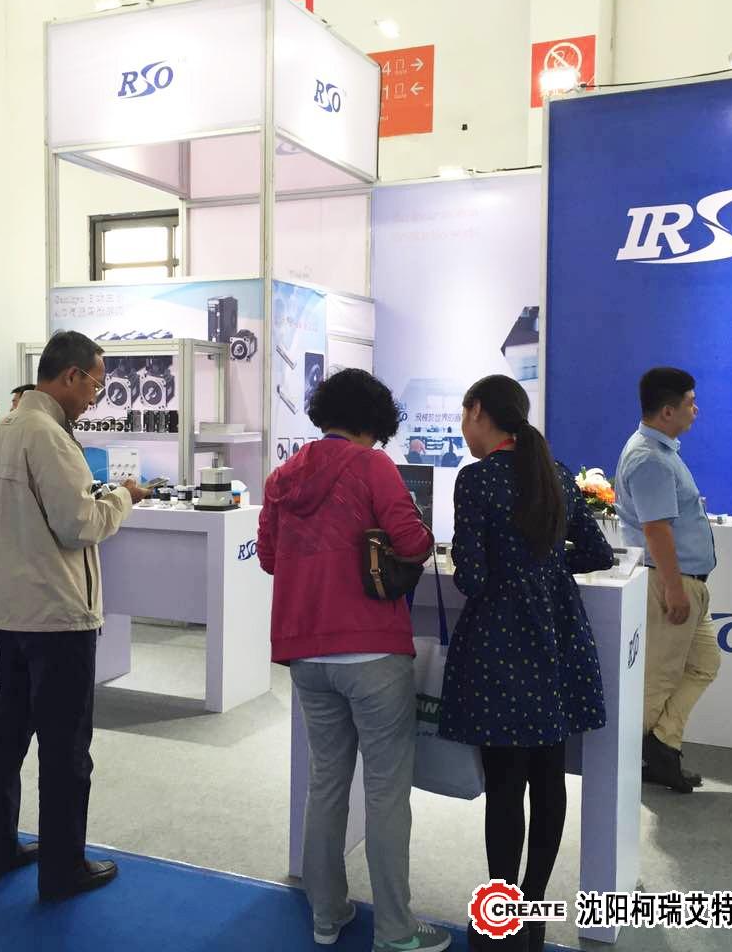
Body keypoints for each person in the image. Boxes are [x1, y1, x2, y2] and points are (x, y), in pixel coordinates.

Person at [257, 368, 449, 952]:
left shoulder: (283, 476)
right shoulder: (373, 466)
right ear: (375, 420)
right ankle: (394, 930)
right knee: (387, 793)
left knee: (326, 784)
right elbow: (413, 542)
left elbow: (269, 558)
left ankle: (326, 914)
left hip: (305, 651)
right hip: (371, 650)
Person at [0, 330, 147, 902]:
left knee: (6, 737)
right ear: (71, 376)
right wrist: (123, 497)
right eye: (95, 383)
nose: (96, 396)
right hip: (57, 615)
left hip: (9, 610)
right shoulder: (50, 436)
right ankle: (64, 868)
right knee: (65, 748)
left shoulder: (0, 430)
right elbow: (80, 525)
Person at [438, 375, 613, 952]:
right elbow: (596, 551)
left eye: (464, 415)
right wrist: (546, 567)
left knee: (505, 786)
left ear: (478, 412)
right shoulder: (554, 472)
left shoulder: (477, 479)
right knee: (548, 778)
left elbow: (472, 577)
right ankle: (533, 915)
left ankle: (501, 916)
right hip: (557, 637)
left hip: (500, 642)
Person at [613, 367, 717, 794]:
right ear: (668, 411)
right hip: (669, 583)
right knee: (656, 681)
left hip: (684, 582)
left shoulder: (661, 452)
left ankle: (662, 745)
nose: (697, 410)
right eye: (691, 403)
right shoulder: (650, 459)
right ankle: (625, 767)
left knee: (705, 663)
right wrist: (674, 590)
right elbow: (657, 531)